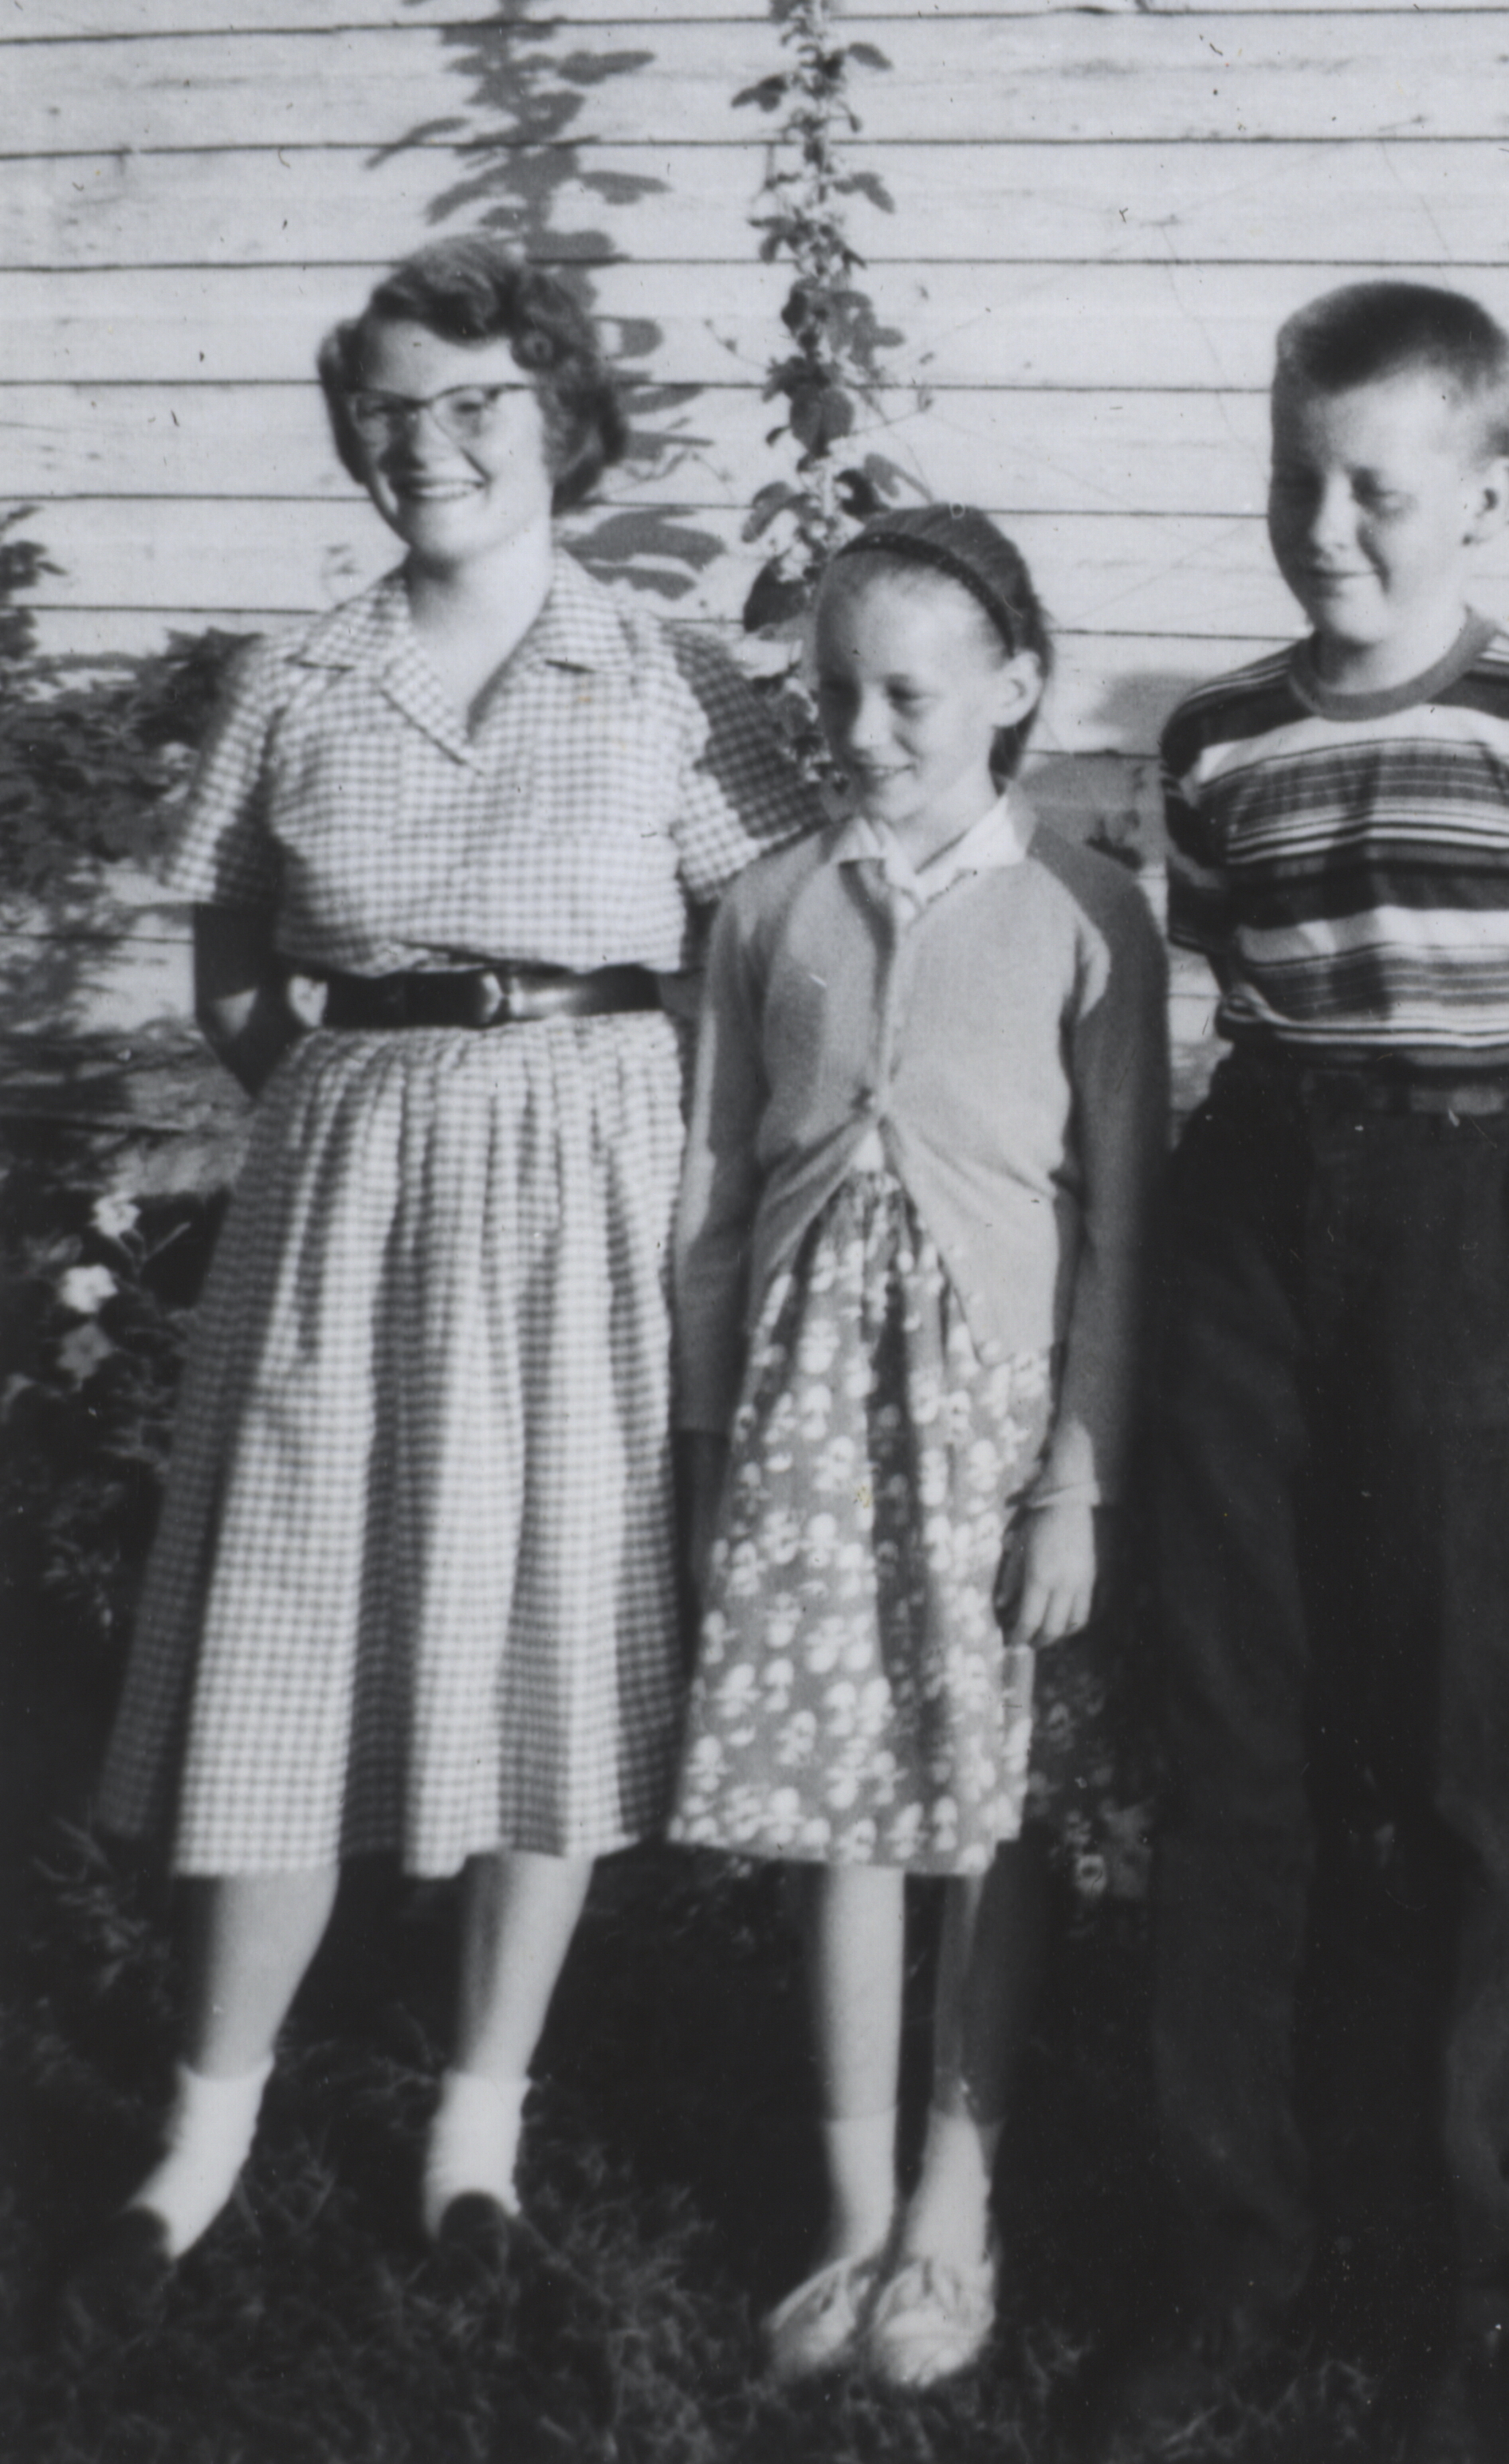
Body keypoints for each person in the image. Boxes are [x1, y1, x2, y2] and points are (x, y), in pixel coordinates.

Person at [73, 238, 819, 2317]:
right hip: (347, 1195)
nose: (432, 446)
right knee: (287, 1632)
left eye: (475, 401)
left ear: (559, 417)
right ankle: (199, 2132)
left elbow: (765, 956)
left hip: (595, 1203)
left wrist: (683, 1168)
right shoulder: (299, 680)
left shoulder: (678, 676)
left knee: (550, 1640)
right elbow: (228, 947)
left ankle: (475, 2118)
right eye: (390, 413)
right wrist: (336, 1106)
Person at [1114, 284, 1509, 2458]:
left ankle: (1491, 2268)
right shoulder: (1216, 741)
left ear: (1483, 488)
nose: (1326, 526)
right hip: (1261, 1223)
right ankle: (1234, 2253)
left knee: (1469, 1764)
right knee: (1238, 1758)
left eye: (1376, 484)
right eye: (1295, 477)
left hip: (1483, 1223)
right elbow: (1198, 1029)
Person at [669, 505, 1168, 2390]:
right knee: (836, 1812)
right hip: (807, 1418)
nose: (865, 727)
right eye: (833, 691)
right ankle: (849, 2207)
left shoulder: (1081, 912)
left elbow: (1126, 1217)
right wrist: (712, 1443)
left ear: (1013, 690)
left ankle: (957, 2196)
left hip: (995, 1424)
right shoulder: (768, 910)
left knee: (979, 1807)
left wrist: (1076, 1476)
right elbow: (715, 1198)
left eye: (907, 691)